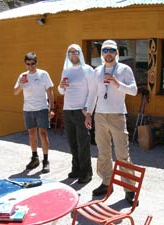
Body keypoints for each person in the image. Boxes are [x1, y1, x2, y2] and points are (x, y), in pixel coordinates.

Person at [84, 40, 138, 205]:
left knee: (122, 155)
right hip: (100, 116)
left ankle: (129, 190)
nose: (108, 53)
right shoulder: (97, 71)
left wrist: (116, 83)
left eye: (112, 50)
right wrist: (88, 114)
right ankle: (107, 183)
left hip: (117, 116)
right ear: (102, 52)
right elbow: (92, 94)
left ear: (116, 53)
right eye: (105, 50)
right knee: (103, 153)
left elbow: (134, 91)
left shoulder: (124, 69)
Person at [58, 44, 94, 184]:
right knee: (72, 142)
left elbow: (92, 91)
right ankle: (77, 168)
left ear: (80, 54)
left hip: (81, 111)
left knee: (83, 143)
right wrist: (61, 87)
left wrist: (88, 110)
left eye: (76, 52)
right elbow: (61, 91)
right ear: (68, 54)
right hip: (68, 110)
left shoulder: (87, 70)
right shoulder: (66, 70)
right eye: (70, 52)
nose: (73, 54)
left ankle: (86, 173)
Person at [14, 52, 54, 173]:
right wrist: (21, 84)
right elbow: (15, 92)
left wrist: (51, 108)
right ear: (25, 64)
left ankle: (46, 160)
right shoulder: (22, 76)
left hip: (41, 108)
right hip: (28, 109)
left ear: (36, 62)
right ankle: (34, 157)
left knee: (43, 134)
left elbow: (50, 91)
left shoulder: (43, 74)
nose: (30, 66)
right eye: (28, 64)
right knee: (31, 134)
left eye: (33, 63)